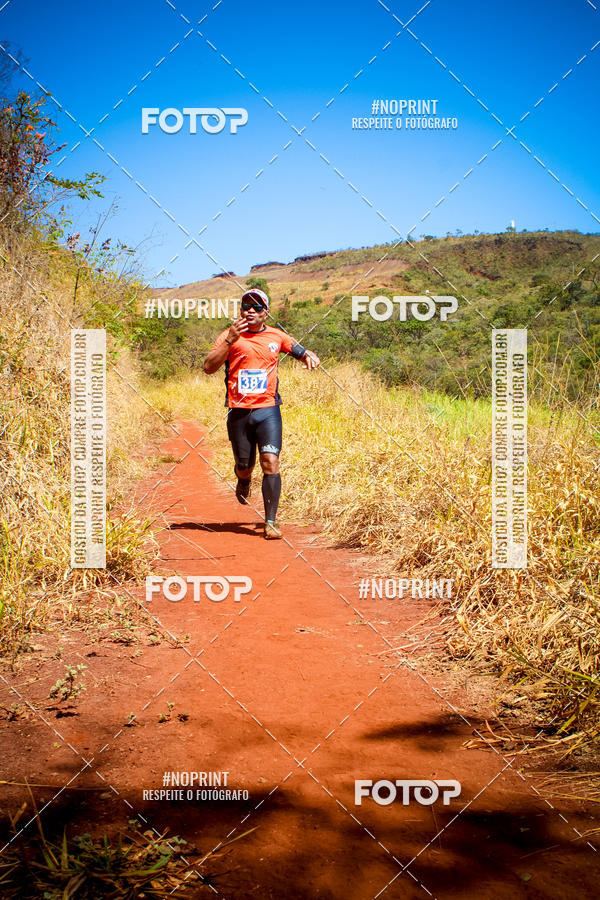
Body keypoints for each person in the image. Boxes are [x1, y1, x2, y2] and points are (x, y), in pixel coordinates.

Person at [203, 288, 320, 539]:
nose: (251, 311)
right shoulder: (228, 336)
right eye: (247, 306)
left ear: (266, 313)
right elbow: (208, 367)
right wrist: (229, 341)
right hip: (239, 412)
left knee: (270, 461)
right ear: (241, 310)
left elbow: (299, 350)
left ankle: (270, 521)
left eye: (257, 307)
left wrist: (309, 355)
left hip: (268, 410)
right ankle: (243, 479)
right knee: (244, 466)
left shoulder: (277, 336)